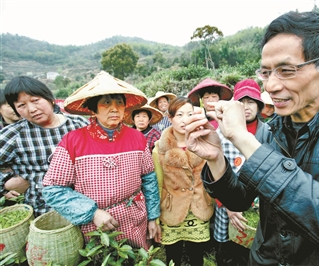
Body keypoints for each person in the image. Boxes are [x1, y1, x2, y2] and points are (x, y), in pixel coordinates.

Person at [184, 11, 319, 265]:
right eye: (266, 73)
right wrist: (216, 158)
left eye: (286, 70)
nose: (271, 86)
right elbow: (239, 199)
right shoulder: (270, 131)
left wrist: (243, 138)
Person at [42, 71, 160, 249]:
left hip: (135, 217)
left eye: (119, 102)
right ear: (93, 109)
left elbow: (149, 180)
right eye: (106, 103)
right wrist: (92, 213)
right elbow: (52, 189)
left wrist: (152, 217)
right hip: (94, 226)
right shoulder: (72, 141)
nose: (115, 108)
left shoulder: (137, 138)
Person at [0, 76, 89, 217]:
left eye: (35, 100)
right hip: (45, 214)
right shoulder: (14, 134)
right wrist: (5, 183)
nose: (32, 109)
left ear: (49, 98)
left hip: (86, 205)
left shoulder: (78, 124)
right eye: (21, 105)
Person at [152, 96, 214, 266]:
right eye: (179, 115)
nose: (185, 120)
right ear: (170, 118)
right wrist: (155, 218)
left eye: (189, 114)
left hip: (198, 206)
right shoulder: (159, 148)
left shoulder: (204, 143)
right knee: (173, 256)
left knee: (197, 255)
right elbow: (158, 183)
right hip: (172, 208)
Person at [214, 79, 264, 266]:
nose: (246, 107)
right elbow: (213, 171)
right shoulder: (221, 133)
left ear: (259, 105)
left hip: (258, 209)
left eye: (251, 102)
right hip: (226, 206)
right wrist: (227, 205)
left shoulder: (267, 132)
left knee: (252, 251)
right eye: (241, 102)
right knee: (227, 252)